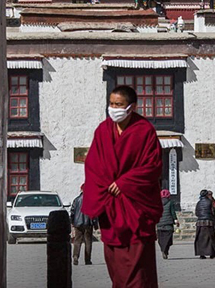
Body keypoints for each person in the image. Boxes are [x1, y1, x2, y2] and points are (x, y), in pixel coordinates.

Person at [81, 86, 163, 287]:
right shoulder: (102, 130)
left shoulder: (145, 131)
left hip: (135, 210)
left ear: (131, 107)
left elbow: (152, 166)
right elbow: (93, 164)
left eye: (118, 104)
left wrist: (125, 182)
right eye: (111, 103)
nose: (113, 108)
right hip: (111, 209)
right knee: (116, 268)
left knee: (137, 272)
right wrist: (106, 184)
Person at [70, 183, 98, 266]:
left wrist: (72, 222)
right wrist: (95, 224)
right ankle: (88, 259)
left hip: (78, 223)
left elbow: (72, 212)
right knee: (88, 241)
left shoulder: (76, 200)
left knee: (77, 240)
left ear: (81, 190)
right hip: (88, 223)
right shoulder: (92, 199)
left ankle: (75, 256)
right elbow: (94, 213)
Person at [194, 189, 215, 259]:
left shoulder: (198, 203)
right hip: (208, 222)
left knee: (200, 239)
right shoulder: (210, 202)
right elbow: (213, 212)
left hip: (200, 222)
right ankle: (212, 253)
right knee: (210, 238)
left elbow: (196, 213)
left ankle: (201, 254)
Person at [157, 189, 179, 259]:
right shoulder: (170, 202)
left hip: (160, 223)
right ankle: (165, 250)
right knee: (168, 239)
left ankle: (163, 250)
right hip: (168, 223)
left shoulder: (157, 202)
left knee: (161, 239)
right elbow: (172, 212)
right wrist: (175, 220)